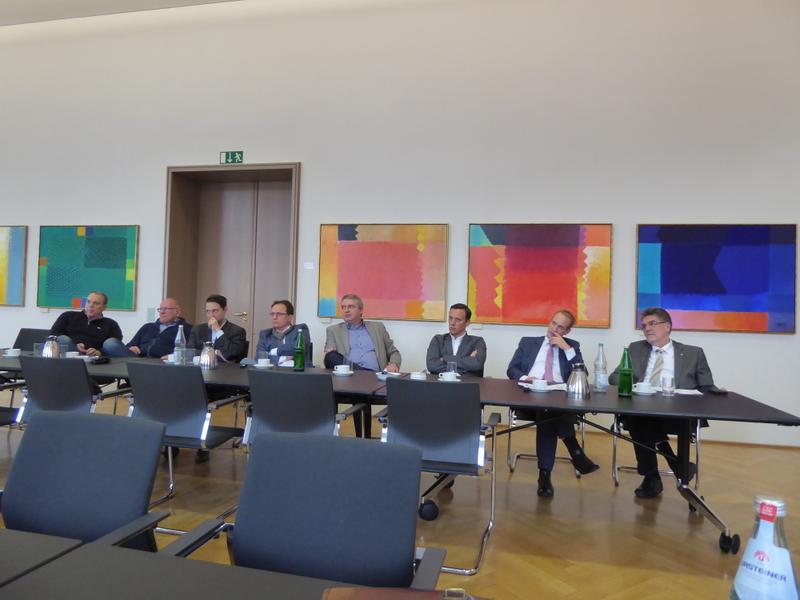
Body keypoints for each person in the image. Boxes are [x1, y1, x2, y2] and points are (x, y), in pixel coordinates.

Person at [609, 307, 716, 499]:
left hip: (677, 413)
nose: (647, 329)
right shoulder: (635, 349)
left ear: (667, 327)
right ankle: (678, 467)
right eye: (644, 326)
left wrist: (716, 392)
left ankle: (652, 478)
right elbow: (614, 377)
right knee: (639, 417)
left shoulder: (693, 353)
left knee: (639, 421)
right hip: (641, 409)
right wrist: (636, 384)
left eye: (652, 324)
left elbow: (707, 385)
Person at [506, 309, 599, 498]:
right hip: (529, 395)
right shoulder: (528, 342)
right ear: (549, 322)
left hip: (558, 397)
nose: (554, 329)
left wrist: (567, 349)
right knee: (548, 411)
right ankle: (575, 453)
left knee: (548, 411)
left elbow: (583, 374)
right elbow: (512, 369)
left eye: (561, 327)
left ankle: (545, 475)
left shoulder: (572, 346)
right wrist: (525, 378)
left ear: (567, 331)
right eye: (553, 323)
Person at [324, 293, 401, 437]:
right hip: (348, 378)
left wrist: (393, 364)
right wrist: (329, 351)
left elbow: (394, 352)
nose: (346, 310)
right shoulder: (333, 330)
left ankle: (362, 436)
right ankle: (362, 436)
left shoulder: (377, 328)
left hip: (375, 380)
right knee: (331, 357)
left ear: (361, 310)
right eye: (343, 307)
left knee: (360, 386)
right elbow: (330, 355)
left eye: (350, 307)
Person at [102, 298, 192, 359]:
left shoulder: (187, 329)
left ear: (177, 312)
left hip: (160, 362)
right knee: (110, 343)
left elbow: (191, 352)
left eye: (166, 309)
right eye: (160, 309)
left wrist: (173, 357)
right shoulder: (148, 327)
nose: (162, 312)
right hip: (138, 359)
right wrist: (131, 348)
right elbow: (129, 346)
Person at [49, 291, 122, 356]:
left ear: (104, 307)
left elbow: (114, 346)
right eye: (88, 302)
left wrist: (99, 352)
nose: (91, 305)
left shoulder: (111, 324)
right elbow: (53, 334)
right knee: (62, 339)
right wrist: (75, 344)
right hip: (70, 352)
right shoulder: (68, 316)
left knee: (111, 343)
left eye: (96, 303)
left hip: (95, 357)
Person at [426, 303, 486, 376]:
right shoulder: (438, 340)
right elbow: (432, 366)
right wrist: (466, 367)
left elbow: (477, 365)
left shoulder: (477, 341)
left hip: (467, 383)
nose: (452, 323)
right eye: (450, 318)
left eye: (458, 320)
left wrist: (445, 358)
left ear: (467, 323)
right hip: (441, 382)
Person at [187, 294, 248, 363]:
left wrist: (218, 331)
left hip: (225, 369)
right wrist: (214, 353)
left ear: (225, 310)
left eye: (215, 311)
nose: (211, 315)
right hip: (200, 367)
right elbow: (190, 353)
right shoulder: (197, 330)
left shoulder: (237, 331)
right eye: (208, 311)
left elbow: (231, 354)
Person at [253, 300, 311, 367]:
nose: (274, 317)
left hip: (298, 371)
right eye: (272, 314)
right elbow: (259, 357)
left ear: (290, 317)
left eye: (279, 314)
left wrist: (274, 352)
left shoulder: (300, 329)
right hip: (272, 372)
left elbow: (298, 347)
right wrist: (283, 359)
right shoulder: (265, 334)